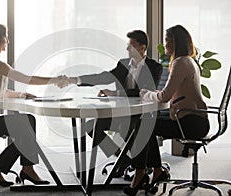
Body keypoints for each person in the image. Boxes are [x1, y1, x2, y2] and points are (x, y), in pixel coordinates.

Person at [0, 22, 66, 187]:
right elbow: (27, 79)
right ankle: (17, 169)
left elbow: (0, 93)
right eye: (5, 37)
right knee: (28, 122)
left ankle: (17, 168)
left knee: (26, 124)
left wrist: (22, 94)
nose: (7, 40)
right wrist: (55, 80)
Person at [122, 24, 210, 196]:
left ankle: (140, 173)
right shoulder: (187, 61)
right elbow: (166, 93)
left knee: (144, 125)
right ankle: (156, 170)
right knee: (147, 123)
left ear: (176, 43)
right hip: (194, 120)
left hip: (190, 123)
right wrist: (154, 94)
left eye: (168, 40)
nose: (165, 44)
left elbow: (164, 97)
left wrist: (144, 93)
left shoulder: (180, 63)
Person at [67, 30, 163, 177]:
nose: (127, 49)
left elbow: (145, 91)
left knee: (135, 128)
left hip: (141, 115)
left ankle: (146, 168)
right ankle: (122, 158)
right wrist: (76, 80)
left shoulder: (154, 67)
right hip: (121, 113)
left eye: (131, 45)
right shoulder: (123, 64)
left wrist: (115, 94)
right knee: (90, 125)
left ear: (142, 48)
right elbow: (105, 77)